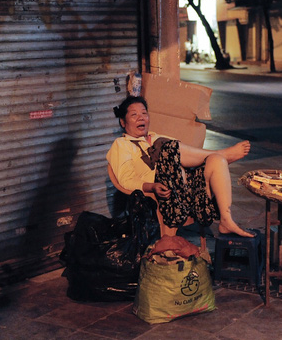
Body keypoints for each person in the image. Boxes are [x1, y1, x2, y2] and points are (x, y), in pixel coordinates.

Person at [106, 95, 254, 252]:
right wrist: (153, 186)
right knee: (169, 147)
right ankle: (222, 153)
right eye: (134, 115)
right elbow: (125, 180)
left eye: (144, 113)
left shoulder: (156, 137)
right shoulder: (121, 145)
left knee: (216, 161)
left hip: (188, 191)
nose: (140, 118)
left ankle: (226, 220)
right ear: (123, 122)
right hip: (166, 196)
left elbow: (186, 157)